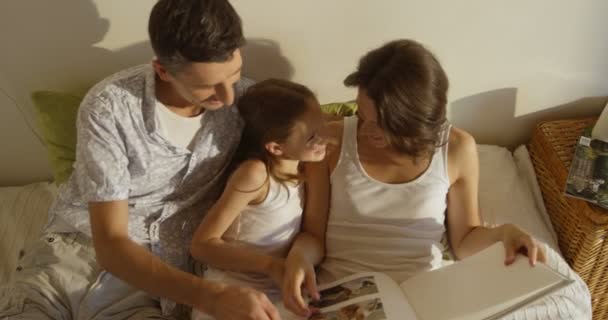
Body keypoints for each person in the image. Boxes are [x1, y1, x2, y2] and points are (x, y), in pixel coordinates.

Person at [0, 0, 282, 319]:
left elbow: (310, 138)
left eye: (234, 75)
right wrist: (212, 297)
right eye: (206, 87)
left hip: (155, 284)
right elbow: (111, 242)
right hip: (74, 256)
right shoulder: (109, 106)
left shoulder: (250, 101)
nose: (228, 97)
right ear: (162, 70)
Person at [282, 39, 592, 319]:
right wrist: (299, 256)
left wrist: (503, 234)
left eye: (378, 125)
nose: (363, 130)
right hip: (347, 296)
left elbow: (465, 239)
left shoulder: (457, 149)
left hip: (426, 299)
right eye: (362, 115)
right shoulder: (332, 143)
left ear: (414, 124)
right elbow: (313, 236)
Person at [189, 79, 327, 319]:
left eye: (322, 126)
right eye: (312, 137)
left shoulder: (313, 168)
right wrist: (270, 265)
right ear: (276, 148)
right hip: (234, 291)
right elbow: (202, 245)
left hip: (283, 291)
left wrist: (298, 257)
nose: (324, 139)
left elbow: (314, 236)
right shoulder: (255, 175)